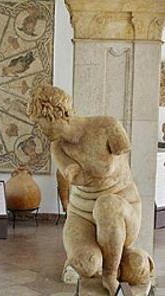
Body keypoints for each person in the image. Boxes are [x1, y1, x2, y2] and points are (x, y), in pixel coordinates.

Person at [26, 85, 153, 295]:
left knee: (107, 204)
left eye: (40, 124)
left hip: (122, 210)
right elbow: (80, 177)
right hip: (82, 215)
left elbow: (121, 150)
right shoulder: (58, 147)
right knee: (86, 264)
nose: (40, 130)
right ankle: (119, 260)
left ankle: (112, 273)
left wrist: (89, 161)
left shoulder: (106, 126)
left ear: (54, 115)